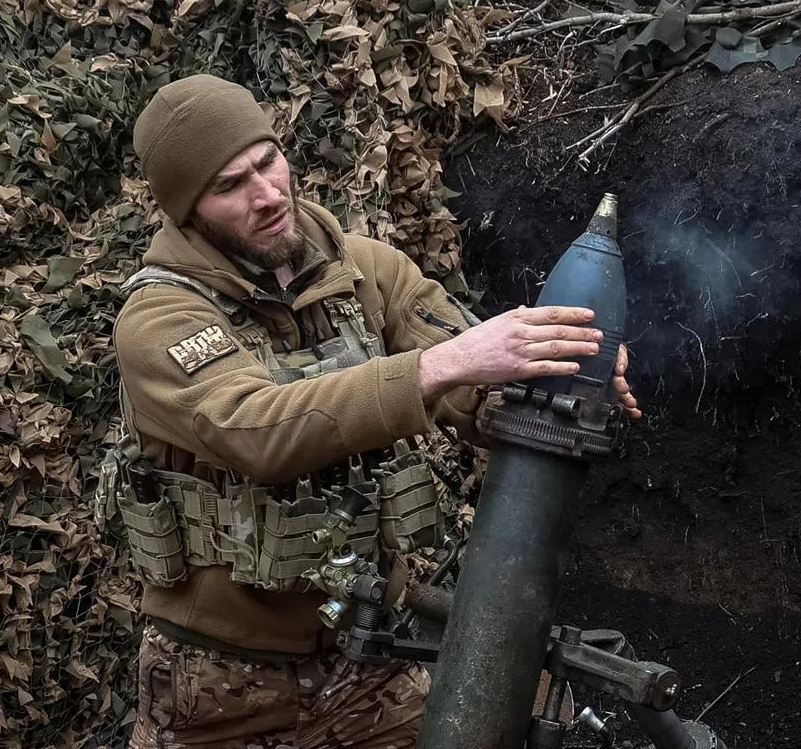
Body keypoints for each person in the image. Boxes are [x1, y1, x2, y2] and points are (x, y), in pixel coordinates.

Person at [104, 73, 640, 749]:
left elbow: (475, 385)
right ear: (187, 211)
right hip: (222, 691)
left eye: (268, 161)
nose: (268, 195)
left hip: (370, 662)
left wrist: (559, 365)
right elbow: (255, 431)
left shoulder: (366, 270)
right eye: (230, 185)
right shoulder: (160, 318)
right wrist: (445, 364)